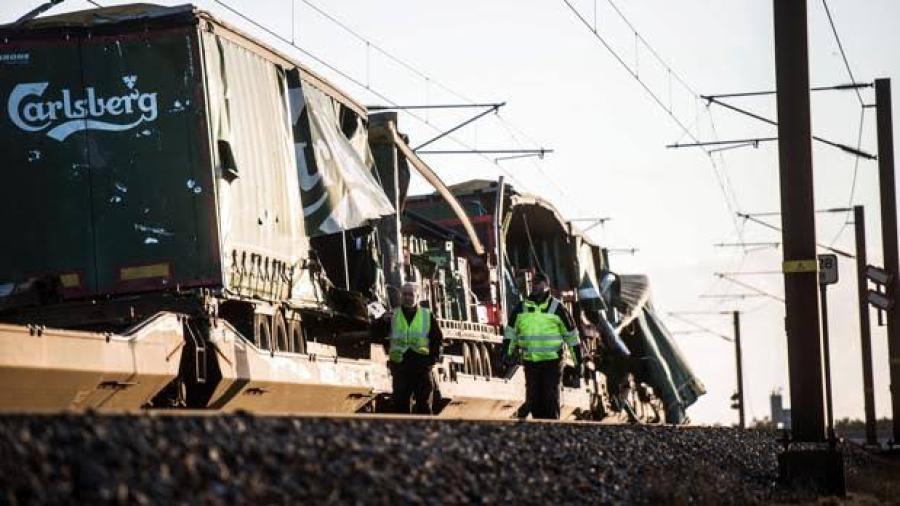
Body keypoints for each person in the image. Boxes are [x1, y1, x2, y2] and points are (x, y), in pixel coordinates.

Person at [502, 272, 583, 419]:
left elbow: (571, 336)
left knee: (550, 395)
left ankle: (551, 425)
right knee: (534, 397)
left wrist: (578, 361)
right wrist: (506, 353)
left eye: (538, 283)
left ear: (547, 286)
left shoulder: (557, 308)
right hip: (530, 360)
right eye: (533, 283)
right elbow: (511, 333)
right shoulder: (521, 308)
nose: (535, 286)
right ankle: (539, 426)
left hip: (553, 360)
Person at [373, 282, 442, 414]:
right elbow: (378, 335)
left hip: (421, 367)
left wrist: (432, 361)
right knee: (400, 405)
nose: (407, 297)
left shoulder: (427, 315)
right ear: (400, 296)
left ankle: (425, 432)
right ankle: (403, 432)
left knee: (424, 405)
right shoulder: (393, 315)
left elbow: (437, 339)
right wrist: (382, 322)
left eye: (411, 294)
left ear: (417, 296)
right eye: (404, 294)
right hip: (400, 367)